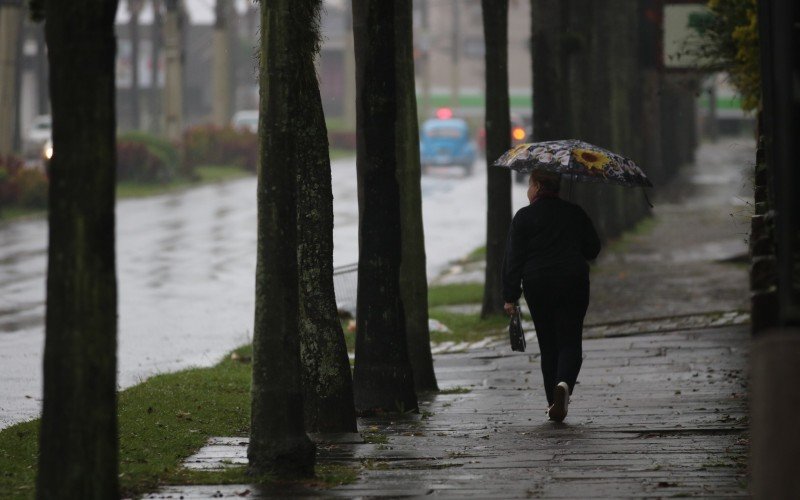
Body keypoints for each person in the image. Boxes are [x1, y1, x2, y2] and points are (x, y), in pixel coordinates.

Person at [502, 170, 601, 422]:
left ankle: (552, 402)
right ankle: (564, 385)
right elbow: (593, 249)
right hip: (573, 281)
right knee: (570, 340)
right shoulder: (574, 213)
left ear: (536, 186)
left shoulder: (523, 217)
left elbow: (513, 259)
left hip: (538, 284)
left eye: (529, 185)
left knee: (548, 344)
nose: (528, 190)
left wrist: (510, 296)